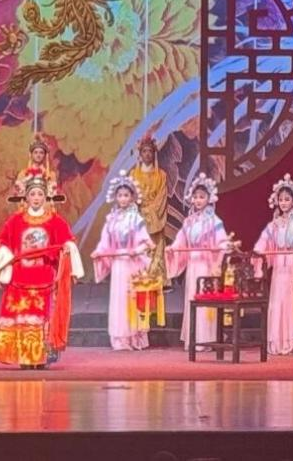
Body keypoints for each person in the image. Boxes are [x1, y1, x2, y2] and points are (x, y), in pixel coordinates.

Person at [0, 176, 83, 368]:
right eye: (33, 194)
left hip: (44, 278)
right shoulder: (16, 221)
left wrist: (67, 248)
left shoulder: (55, 221)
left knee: (42, 319)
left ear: (46, 197)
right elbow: (1, 240)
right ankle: (24, 357)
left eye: (40, 194)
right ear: (26, 197)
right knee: (22, 318)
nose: (36, 198)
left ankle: (41, 357)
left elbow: (68, 240)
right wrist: (4, 252)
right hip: (20, 278)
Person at [90, 171, 154, 351]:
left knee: (132, 299)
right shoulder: (111, 220)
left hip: (133, 264)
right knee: (119, 300)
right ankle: (120, 339)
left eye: (126, 195)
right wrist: (99, 252)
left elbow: (148, 243)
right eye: (120, 195)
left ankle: (135, 338)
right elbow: (105, 242)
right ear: (115, 197)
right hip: (118, 264)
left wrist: (136, 251)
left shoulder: (137, 219)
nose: (123, 199)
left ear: (132, 197)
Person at [253, 173, 293, 355]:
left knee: (292, 302)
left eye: (287, 199)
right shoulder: (274, 224)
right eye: (281, 200)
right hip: (279, 266)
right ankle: (278, 340)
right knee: (278, 300)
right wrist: (257, 253)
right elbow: (263, 242)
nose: (284, 203)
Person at [165, 173, 230, 345]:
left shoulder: (214, 221)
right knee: (192, 298)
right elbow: (181, 241)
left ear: (209, 199)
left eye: (202, 197)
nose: (198, 200)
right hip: (193, 265)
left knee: (205, 301)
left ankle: (207, 339)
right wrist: (172, 249)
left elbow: (222, 242)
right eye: (195, 197)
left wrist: (221, 248)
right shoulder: (189, 222)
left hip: (207, 266)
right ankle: (194, 340)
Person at [130, 134, 170, 286]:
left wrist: (150, 211)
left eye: (150, 151)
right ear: (140, 154)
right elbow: (130, 195)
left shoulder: (161, 175)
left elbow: (162, 197)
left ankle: (158, 280)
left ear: (154, 154)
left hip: (155, 216)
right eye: (144, 151)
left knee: (156, 247)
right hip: (138, 216)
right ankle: (139, 277)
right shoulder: (134, 174)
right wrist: (138, 210)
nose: (147, 154)